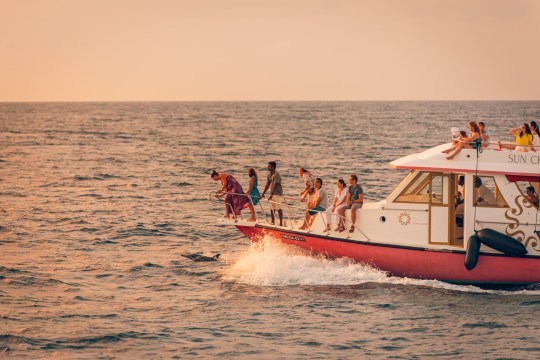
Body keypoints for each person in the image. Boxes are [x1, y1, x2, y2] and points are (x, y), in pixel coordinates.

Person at [260, 161, 284, 226]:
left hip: (277, 193)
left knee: (278, 208)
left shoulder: (277, 174)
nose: (267, 167)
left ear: (273, 167)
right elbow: (267, 185)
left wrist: (271, 194)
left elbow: (276, 185)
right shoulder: (269, 175)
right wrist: (263, 193)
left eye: (269, 166)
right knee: (272, 208)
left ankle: (281, 223)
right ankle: (272, 221)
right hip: (272, 193)